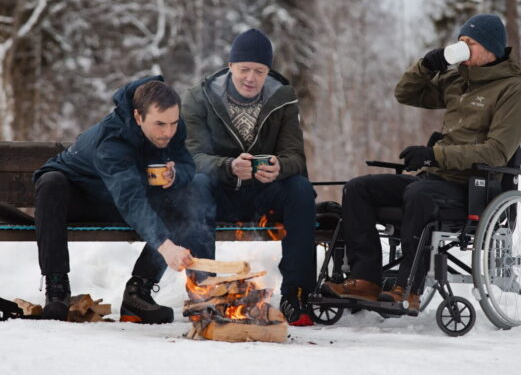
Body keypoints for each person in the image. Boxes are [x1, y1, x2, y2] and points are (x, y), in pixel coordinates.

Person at [322, 14, 521, 316]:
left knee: (419, 195)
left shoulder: (513, 91)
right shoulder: (458, 80)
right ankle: (366, 280)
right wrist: (427, 65)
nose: (461, 47)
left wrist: (434, 155)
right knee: (359, 189)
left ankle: (407, 288)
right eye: (460, 41)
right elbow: (405, 93)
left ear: (491, 48)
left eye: (469, 43)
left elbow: (496, 152)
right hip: (433, 179)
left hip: (473, 187)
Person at [34, 76, 215, 323]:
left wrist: (176, 174)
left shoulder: (171, 122)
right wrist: (166, 246)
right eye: (160, 124)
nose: (169, 132)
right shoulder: (111, 141)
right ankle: (56, 288)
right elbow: (130, 198)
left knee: (189, 190)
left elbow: (186, 163)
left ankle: (141, 293)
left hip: (124, 200)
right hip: (81, 199)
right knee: (51, 183)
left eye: (173, 123)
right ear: (138, 117)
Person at [182, 29, 316, 326]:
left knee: (300, 189)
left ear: (268, 71)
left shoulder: (283, 99)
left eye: (259, 71)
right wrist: (227, 166)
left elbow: (296, 156)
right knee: (196, 184)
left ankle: (297, 295)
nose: (250, 78)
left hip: (264, 195)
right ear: (230, 67)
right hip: (219, 194)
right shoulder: (198, 98)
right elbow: (191, 158)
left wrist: (280, 166)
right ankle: (204, 293)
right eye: (244, 69)